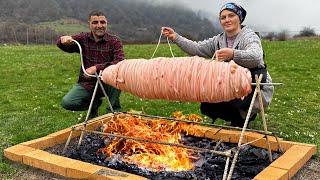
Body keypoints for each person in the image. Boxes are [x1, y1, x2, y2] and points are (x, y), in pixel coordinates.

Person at [162, 2, 274, 127]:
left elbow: (256, 57)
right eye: (223, 17)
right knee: (208, 104)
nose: (227, 20)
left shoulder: (249, 36)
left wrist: (232, 54)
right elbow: (197, 48)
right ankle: (236, 117)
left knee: (237, 104)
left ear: (239, 18)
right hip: (229, 83)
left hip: (254, 83)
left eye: (231, 16)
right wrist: (175, 37)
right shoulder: (218, 40)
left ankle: (243, 115)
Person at [56, 10, 124, 118]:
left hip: (108, 82)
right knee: (67, 102)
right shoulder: (83, 38)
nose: (99, 25)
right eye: (95, 22)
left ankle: (113, 114)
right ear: (89, 24)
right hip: (88, 82)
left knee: (118, 76)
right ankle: (94, 105)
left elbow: (120, 62)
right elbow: (64, 45)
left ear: (107, 23)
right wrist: (62, 40)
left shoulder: (114, 41)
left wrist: (96, 68)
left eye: (102, 22)